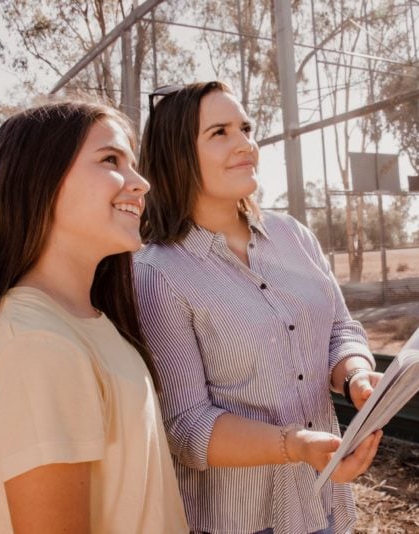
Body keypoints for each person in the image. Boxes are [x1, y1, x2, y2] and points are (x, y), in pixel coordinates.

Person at [134, 80, 383, 534]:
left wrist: (355, 375)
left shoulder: (294, 236)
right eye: (220, 132)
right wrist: (296, 445)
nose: (246, 144)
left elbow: (339, 329)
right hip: (242, 520)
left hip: (323, 498)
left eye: (245, 128)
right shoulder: (157, 274)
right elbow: (187, 426)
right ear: (176, 155)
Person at [0, 101, 188, 533]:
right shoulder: (34, 343)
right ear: (38, 181)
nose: (141, 183)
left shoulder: (87, 320)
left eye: (133, 163)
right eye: (111, 159)